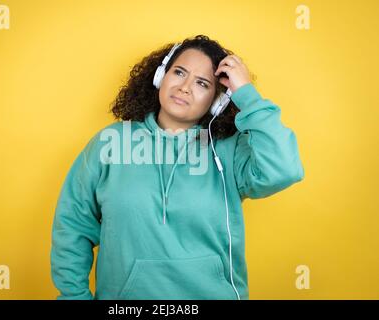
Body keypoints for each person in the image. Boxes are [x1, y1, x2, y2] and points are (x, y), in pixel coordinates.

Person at [50, 34, 305, 300]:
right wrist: (73, 296)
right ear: (160, 76)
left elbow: (285, 168)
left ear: (217, 101)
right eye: (179, 72)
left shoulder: (229, 151)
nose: (185, 87)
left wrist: (247, 96)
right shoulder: (110, 143)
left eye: (202, 83)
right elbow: (73, 226)